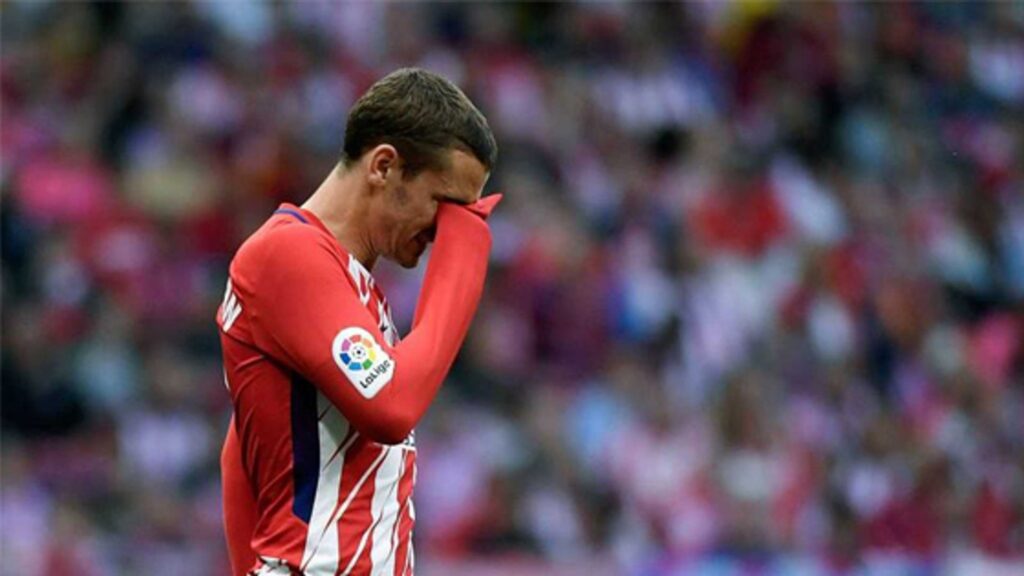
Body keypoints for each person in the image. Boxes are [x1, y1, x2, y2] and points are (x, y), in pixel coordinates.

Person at [216, 68, 500, 576]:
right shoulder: (288, 254)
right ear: (384, 166)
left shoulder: (342, 283)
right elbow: (391, 407)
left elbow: (241, 455)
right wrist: (463, 262)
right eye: (446, 205)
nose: (447, 229)